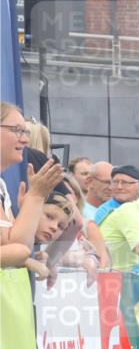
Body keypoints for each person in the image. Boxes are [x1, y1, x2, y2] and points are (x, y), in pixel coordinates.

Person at [1, 102, 63, 266]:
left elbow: (18, 247)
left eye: (25, 132)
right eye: (16, 130)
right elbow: (17, 248)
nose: (25, 140)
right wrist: (35, 196)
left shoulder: (2, 186)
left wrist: (30, 205)